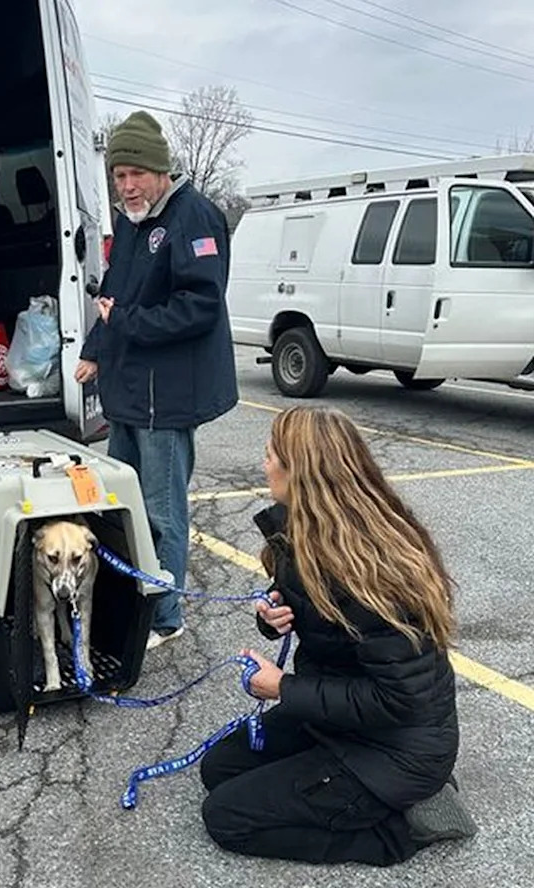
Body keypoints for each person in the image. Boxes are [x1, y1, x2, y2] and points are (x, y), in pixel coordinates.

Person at [200, 406, 477, 867]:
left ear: (301, 473)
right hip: (340, 720)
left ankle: (401, 830)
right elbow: (312, 613)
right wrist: (272, 615)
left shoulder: (374, 571)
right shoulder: (306, 531)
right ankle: (367, 793)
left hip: (392, 749)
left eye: (272, 454)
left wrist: (283, 688)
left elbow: (398, 700)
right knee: (219, 769)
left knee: (226, 817)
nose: (264, 461)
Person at [74, 111, 238, 650]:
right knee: (123, 503)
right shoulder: (130, 221)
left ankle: (166, 617)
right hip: (127, 394)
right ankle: (132, 597)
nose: (126, 186)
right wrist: (96, 350)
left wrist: (125, 323)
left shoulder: (196, 217)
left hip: (167, 398)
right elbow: (112, 296)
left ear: (160, 170)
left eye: (136, 174)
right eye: (119, 175)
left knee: (162, 511)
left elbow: (200, 308)